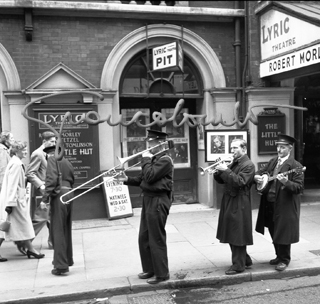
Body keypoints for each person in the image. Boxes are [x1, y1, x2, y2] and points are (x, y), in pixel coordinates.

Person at [116, 130, 174, 284]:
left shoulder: (165, 160)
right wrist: (126, 179)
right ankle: (150, 269)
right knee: (144, 237)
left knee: (156, 238)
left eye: (151, 143)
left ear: (160, 143)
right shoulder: (154, 160)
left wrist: (145, 160)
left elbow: (149, 176)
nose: (148, 147)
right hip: (148, 200)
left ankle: (162, 274)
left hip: (158, 201)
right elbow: (143, 178)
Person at [255, 134, 304, 272]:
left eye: (282, 147)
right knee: (273, 229)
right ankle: (278, 255)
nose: (279, 149)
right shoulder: (273, 161)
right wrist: (257, 176)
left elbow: (299, 188)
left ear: (290, 148)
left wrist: (286, 182)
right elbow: (262, 171)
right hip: (270, 202)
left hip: (285, 205)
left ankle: (284, 259)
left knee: (283, 231)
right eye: (278, 146)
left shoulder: (296, 166)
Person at [213, 138, 255, 275]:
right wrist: (218, 171)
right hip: (230, 199)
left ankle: (238, 265)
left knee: (237, 233)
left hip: (240, 200)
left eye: (235, 148)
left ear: (244, 149)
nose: (232, 151)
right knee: (231, 231)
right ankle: (245, 260)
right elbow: (222, 180)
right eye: (231, 148)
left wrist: (226, 170)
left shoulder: (248, 165)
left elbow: (240, 182)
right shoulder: (234, 162)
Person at [0, 141, 45, 260]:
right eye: (23, 150)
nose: (26, 152)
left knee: (12, 226)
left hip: (15, 200)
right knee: (15, 226)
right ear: (16, 151)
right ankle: (31, 250)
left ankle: (31, 250)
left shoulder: (14, 162)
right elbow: (13, 185)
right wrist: (10, 203)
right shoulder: (16, 164)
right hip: (15, 202)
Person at [41, 145, 75, 276]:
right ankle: (67, 259)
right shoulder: (67, 161)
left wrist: (44, 199)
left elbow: (51, 180)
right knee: (66, 228)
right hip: (69, 193)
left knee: (58, 230)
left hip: (59, 195)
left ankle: (61, 265)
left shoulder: (52, 159)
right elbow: (72, 179)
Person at [26, 131, 56, 249]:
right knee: (40, 219)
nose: (54, 144)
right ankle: (25, 243)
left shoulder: (49, 153)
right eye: (52, 141)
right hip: (42, 192)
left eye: (55, 141)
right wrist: (41, 186)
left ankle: (53, 243)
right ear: (44, 141)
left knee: (52, 218)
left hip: (50, 190)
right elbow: (30, 173)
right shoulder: (37, 154)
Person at [0, 131, 15, 262]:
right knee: (2, 219)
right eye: (12, 138)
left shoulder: (5, 149)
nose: (13, 140)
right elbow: (3, 171)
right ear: (6, 139)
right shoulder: (2, 150)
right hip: (2, 189)